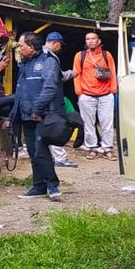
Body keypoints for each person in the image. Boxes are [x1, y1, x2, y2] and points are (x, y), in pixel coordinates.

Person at [11, 32, 63, 199]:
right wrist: (13, 116)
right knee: (34, 152)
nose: (19, 49)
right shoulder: (25, 64)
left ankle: (52, 185)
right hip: (26, 115)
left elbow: (50, 88)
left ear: (32, 47)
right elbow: (20, 92)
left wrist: (37, 110)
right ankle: (39, 186)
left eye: (21, 46)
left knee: (41, 151)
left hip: (41, 115)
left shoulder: (48, 61)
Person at [73, 31, 118, 160]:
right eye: (88, 39)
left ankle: (107, 149)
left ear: (99, 41)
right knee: (88, 124)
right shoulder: (80, 56)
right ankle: (92, 148)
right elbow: (76, 74)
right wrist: (79, 93)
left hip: (105, 94)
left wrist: (113, 90)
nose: (90, 41)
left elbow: (112, 72)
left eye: (93, 38)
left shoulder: (106, 55)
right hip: (86, 95)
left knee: (107, 123)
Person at [42, 32, 78, 169]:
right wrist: (72, 73)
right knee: (57, 126)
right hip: (51, 98)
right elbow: (56, 77)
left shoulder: (38, 55)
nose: (60, 48)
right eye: (60, 45)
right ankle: (60, 158)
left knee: (44, 127)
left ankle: (48, 157)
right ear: (55, 43)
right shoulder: (50, 57)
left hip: (41, 98)